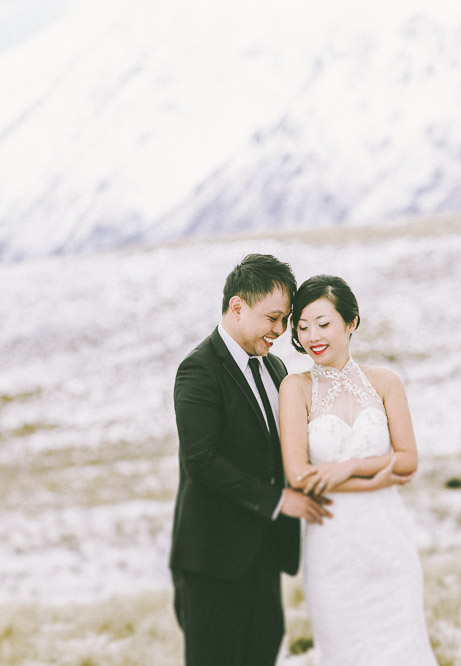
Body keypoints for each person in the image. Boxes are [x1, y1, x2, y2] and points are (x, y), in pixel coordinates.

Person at [170, 254, 332, 665]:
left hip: (264, 556)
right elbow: (202, 462)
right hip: (213, 561)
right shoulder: (198, 370)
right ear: (237, 306)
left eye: (285, 319)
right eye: (273, 318)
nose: (280, 330)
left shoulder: (276, 368)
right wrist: (280, 501)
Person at [277, 274, 437, 664]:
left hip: (388, 542)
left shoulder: (385, 382)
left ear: (350, 322)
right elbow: (300, 477)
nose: (313, 336)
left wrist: (347, 468)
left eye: (323, 323)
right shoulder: (295, 389)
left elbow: (409, 458)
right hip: (333, 546)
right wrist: (378, 478)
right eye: (302, 327)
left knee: (404, 647)